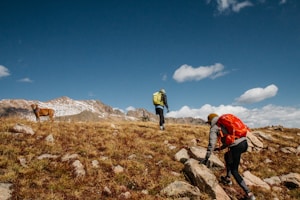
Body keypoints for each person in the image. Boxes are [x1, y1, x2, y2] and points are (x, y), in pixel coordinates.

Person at [201, 113, 255, 200]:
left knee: (235, 171)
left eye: (208, 123)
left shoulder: (214, 127)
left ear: (210, 121)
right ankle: (228, 178)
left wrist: (206, 158)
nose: (208, 125)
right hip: (244, 143)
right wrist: (220, 148)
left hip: (236, 146)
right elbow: (230, 140)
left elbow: (211, 143)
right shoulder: (223, 123)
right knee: (227, 156)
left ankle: (249, 194)